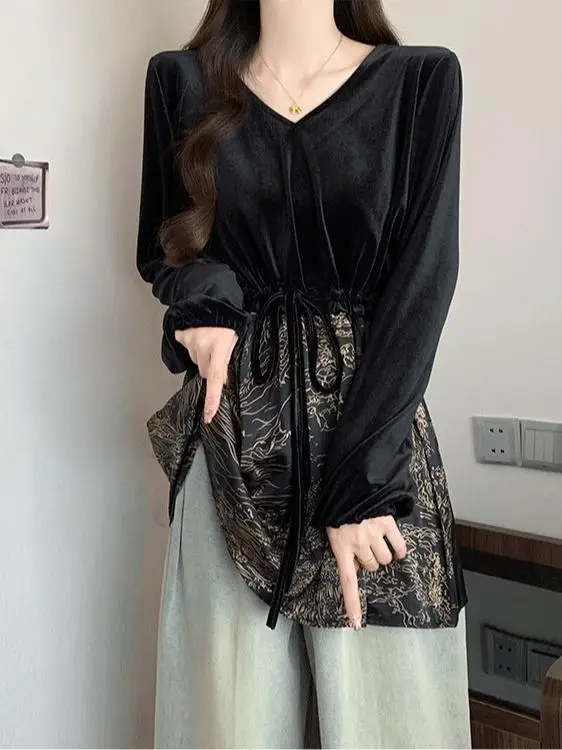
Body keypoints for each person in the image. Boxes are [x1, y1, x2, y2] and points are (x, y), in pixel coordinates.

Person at [136, 0, 471, 747]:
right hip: (233, 444)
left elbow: (424, 279)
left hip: (375, 441)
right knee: (227, 724)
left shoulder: (419, 82)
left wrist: (363, 481)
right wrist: (208, 304)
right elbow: (164, 249)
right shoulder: (180, 82)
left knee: (391, 723)